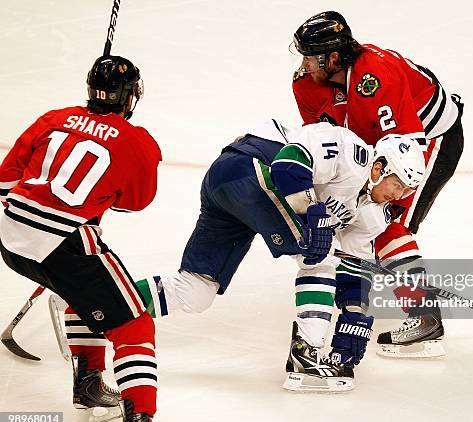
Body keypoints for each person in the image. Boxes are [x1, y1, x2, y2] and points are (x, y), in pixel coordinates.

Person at [133, 120, 425, 391]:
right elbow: (288, 164)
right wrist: (313, 213)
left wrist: (355, 315)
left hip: (226, 189)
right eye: (397, 184)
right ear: (379, 168)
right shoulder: (351, 150)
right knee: (318, 257)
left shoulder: (370, 215)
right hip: (249, 169)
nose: (399, 195)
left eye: (406, 189)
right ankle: (305, 356)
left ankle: (109, 303)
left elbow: (353, 264)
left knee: (195, 291)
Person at [0, 55, 176, 422]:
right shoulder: (137, 141)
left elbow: (4, 179)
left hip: (11, 235)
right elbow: (135, 201)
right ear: (130, 96)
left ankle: (89, 388)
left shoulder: (53, 118)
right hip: (65, 242)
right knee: (134, 325)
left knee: (82, 295)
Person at [290, 11, 465, 357]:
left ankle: (425, 317)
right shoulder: (305, 84)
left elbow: (406, 149)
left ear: (334, 57)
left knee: (387, 224)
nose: (305, 62)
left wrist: (374, 202)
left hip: (427, 140)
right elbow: (326, 139)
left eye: (311, 55)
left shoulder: (376, 75)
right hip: (380, 146)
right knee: (369, 219)